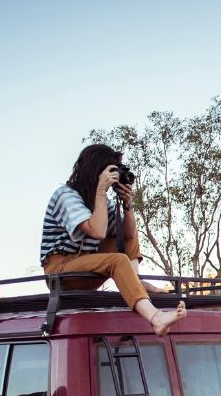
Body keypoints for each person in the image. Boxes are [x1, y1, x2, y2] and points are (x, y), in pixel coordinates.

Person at [40, 144, 185, 336]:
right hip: (61, 272)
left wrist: (127, 205)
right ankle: (156, 318)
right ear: (96, 171)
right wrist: (100, 191)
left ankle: (136, 281)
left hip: (87, 266)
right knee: (117, 260)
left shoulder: (101, 202)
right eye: (111, 171)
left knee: (126, 234)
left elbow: (128, 235)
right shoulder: (66, 195)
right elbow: (97, 231)